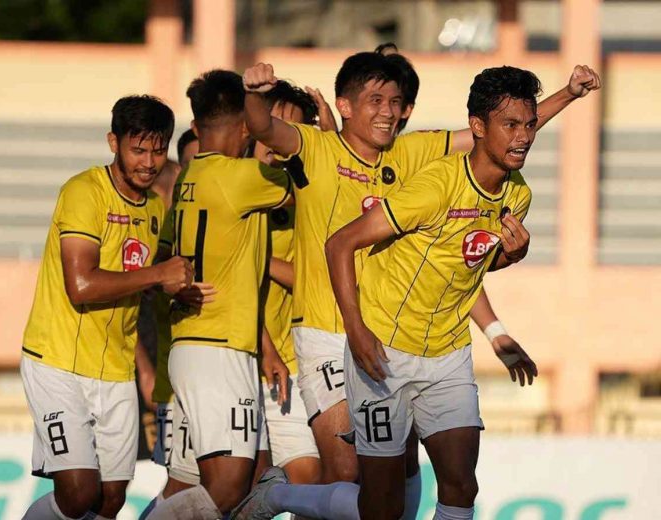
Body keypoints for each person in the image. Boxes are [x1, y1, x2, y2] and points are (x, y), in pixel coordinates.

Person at [324, 65, 541, 519]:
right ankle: (279, 496)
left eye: (530, 124)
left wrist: (511, 259)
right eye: (511, 125)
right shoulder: (435, 185)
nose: (523, 137)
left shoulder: (518, 195)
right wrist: (357, 330)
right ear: (478, 128)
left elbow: (471, 263)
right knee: (381, 509)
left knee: (462, 486)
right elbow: (340, 243)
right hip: (383, 348)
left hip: (447, 354)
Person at [20, 95, 196, 519]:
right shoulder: (84, 191)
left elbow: (136, 278)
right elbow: (81, 285)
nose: (149, 162)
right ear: (113, 142)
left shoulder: (155, 207)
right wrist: (158, 275)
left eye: (158, 149)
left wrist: (176, 288)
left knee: (111, 499)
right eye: (138, 149)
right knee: (79, 496)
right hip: (59, 362)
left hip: (115, 369)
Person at [146, 69, 292, 519]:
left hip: (194, 346)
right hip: (219, 349)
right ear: (246, 125)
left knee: (192, 483)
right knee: (230, 489)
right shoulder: (242, 177)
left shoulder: (189, 177)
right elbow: (304, 191)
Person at [254, 80, 323, 488]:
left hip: (288, 366)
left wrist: (256, 261)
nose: (278, 139)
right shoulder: (226, 185)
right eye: (273, 123)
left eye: (291, 131)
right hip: (232, 360)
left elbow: (311, 279)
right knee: (230, 485)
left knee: (309, 479)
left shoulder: (305, 199)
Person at [138, 127, 206, 520]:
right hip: (166, 381)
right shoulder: (158, 237)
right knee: (182, 483)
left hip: (212, 373)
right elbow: (129, 308)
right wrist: (146, 371)